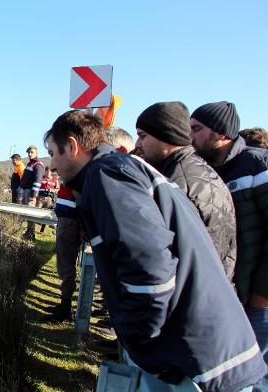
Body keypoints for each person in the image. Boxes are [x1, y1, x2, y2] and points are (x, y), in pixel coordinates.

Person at [45, 109, 265, 391]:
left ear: (73, 147)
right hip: (204, 350)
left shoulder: (107, 175)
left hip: (195, 361)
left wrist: (139, 337)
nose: (52, 164)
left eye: (53, 153)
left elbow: (149, 267)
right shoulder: (123, 169)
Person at [190, 101, 268, 388]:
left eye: (197, 129)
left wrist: (263, 294)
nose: (191, 137)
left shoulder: (258, 165)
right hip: (233, 294)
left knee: (255, 377)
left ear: (221, 133)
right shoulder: (208, 171)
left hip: (259, 300)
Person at [134, 101, 236, 281]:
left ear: (166, 136)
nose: (138, 143)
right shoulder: (193, 169)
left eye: (143, 136)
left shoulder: (178, 181)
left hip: (192, 296)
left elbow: (168, 253)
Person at [41, 180, 81, 323]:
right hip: (68, 217)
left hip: (70, 219)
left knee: (66, 264)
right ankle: (65, 304)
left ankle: (65, 309)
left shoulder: (80, 169)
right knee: (65, 263)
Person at [19, 145, 45, 240]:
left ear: (36, 153)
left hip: (30, 192)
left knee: (30, 214)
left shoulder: (38, 164)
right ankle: (27, 233)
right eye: (28, 152)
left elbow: (38, 181)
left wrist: (33, 195)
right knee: (25, 213)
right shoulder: (29, 164)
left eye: (32, 152)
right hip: (25, 191)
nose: (30, 154)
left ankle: (31, 235)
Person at [37, 167, 59, 232]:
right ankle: (33, 227)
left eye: (50, 171)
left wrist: (52, 190)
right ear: (45, 171)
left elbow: (58, 189)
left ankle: (42, 229)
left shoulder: (55, 180)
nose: (48, 172)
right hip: (40, 197)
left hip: (49, 198)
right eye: (47, 171)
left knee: (46, 214)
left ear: (51, 172)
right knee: (37, 210)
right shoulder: (41, 178)